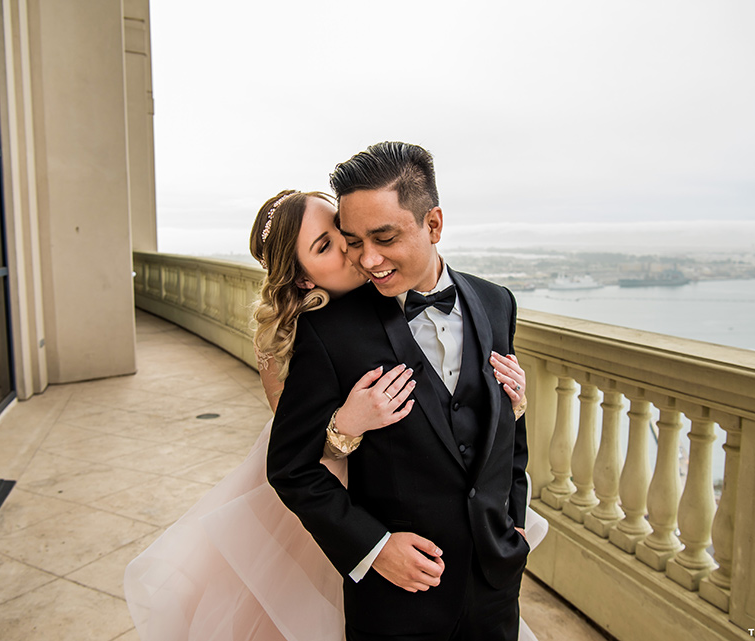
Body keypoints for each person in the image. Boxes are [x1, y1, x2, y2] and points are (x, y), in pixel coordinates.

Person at [124, 189, 542, 640]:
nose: (351, 251)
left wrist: (509, 412)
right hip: (341, 518)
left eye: (344, 234)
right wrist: (345, 426)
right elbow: (293, 459)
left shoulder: (470, 300)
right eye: (325, 246)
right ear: (303, 278)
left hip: (474, 561)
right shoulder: (308, 337)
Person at [267, 142, 534, 641]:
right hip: (396, 604)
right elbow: (290, 468)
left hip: (495, 589)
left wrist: (511, 524)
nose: (368, 259)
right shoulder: (329, 333)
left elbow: (509, 434)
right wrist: (373, 547)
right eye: (352, 241)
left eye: (384, 237)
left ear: (433, 224)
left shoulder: (498, 304)